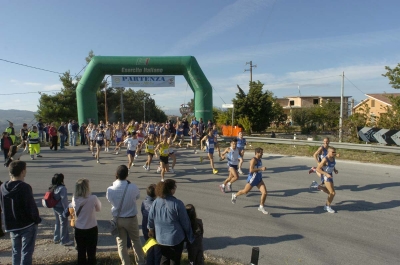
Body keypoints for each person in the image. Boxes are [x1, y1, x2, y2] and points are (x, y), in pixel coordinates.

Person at [0, 161, 42, 264]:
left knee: (15, 252)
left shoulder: (3, 187)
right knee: (26, 252)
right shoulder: (24, 187)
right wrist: (36, 219)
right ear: (22, 172)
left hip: (12, 225)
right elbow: (31, 207)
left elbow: (2, 206)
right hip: (27, 225)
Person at [147, 179, 194, 264]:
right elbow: (185, 222)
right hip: (175, 239)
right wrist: (190, 236)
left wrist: (151, 229)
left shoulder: (156, 202)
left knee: (164, 258)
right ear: (172, 190)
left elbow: (150, 218)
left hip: (161, 238)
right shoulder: (177, 203)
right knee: (175, 261)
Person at [106, 165, 145, 265]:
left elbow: (109, 200)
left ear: (116, 174)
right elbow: (137, 197)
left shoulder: (110, 189)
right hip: (131, 218)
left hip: (117, 219)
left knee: (121, 243)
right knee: (135, 240)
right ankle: (140, 261)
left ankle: (125, 263)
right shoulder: (133, 187)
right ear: (127, 175)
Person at [71, 178, 102, 265]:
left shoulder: (74, 198)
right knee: (91, 254)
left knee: (81, 253)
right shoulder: (93, 198)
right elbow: (99, 209)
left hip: (79, 228)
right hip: (91, 228)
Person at [231, 147, 269, 214]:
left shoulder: (259, 159)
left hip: (259, 179)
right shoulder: (253, 160)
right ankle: (235, 195)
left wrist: (260, 170)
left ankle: (261, 206)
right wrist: (261, 169)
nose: (262, 154)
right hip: (253, 179)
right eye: (261, 153)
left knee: (264, 193)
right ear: (257, 153)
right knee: (245, 191)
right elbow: (251, 170)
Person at [50, 173, 74, 246]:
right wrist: (67, 209)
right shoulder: (62, 188)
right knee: (63, 224)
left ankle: (56, 238)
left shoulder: (53, 187)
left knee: (57, 223)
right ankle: (64, 240)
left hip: (55, 207)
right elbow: (64, 200)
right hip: (61, 208)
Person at [141, 184, 161, 265]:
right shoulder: (157, 204)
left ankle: (149, 262)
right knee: (157, 249)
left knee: (149, 247)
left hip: (145, 227)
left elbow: (143, 212)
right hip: (154, 229)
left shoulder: (144, 202)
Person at [316, 146, 339, 213]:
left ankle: (318, 186)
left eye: (335, 152)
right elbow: (318, 169)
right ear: (328, 152)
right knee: (332, 193)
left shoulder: (333, 157)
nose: (334, 153)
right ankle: (327, 206)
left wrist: (335, 170)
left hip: (330, 175)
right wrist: (326, 174)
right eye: (333, 152)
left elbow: (333, 165)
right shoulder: (325, 159)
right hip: (326, 176)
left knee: (330, 192)